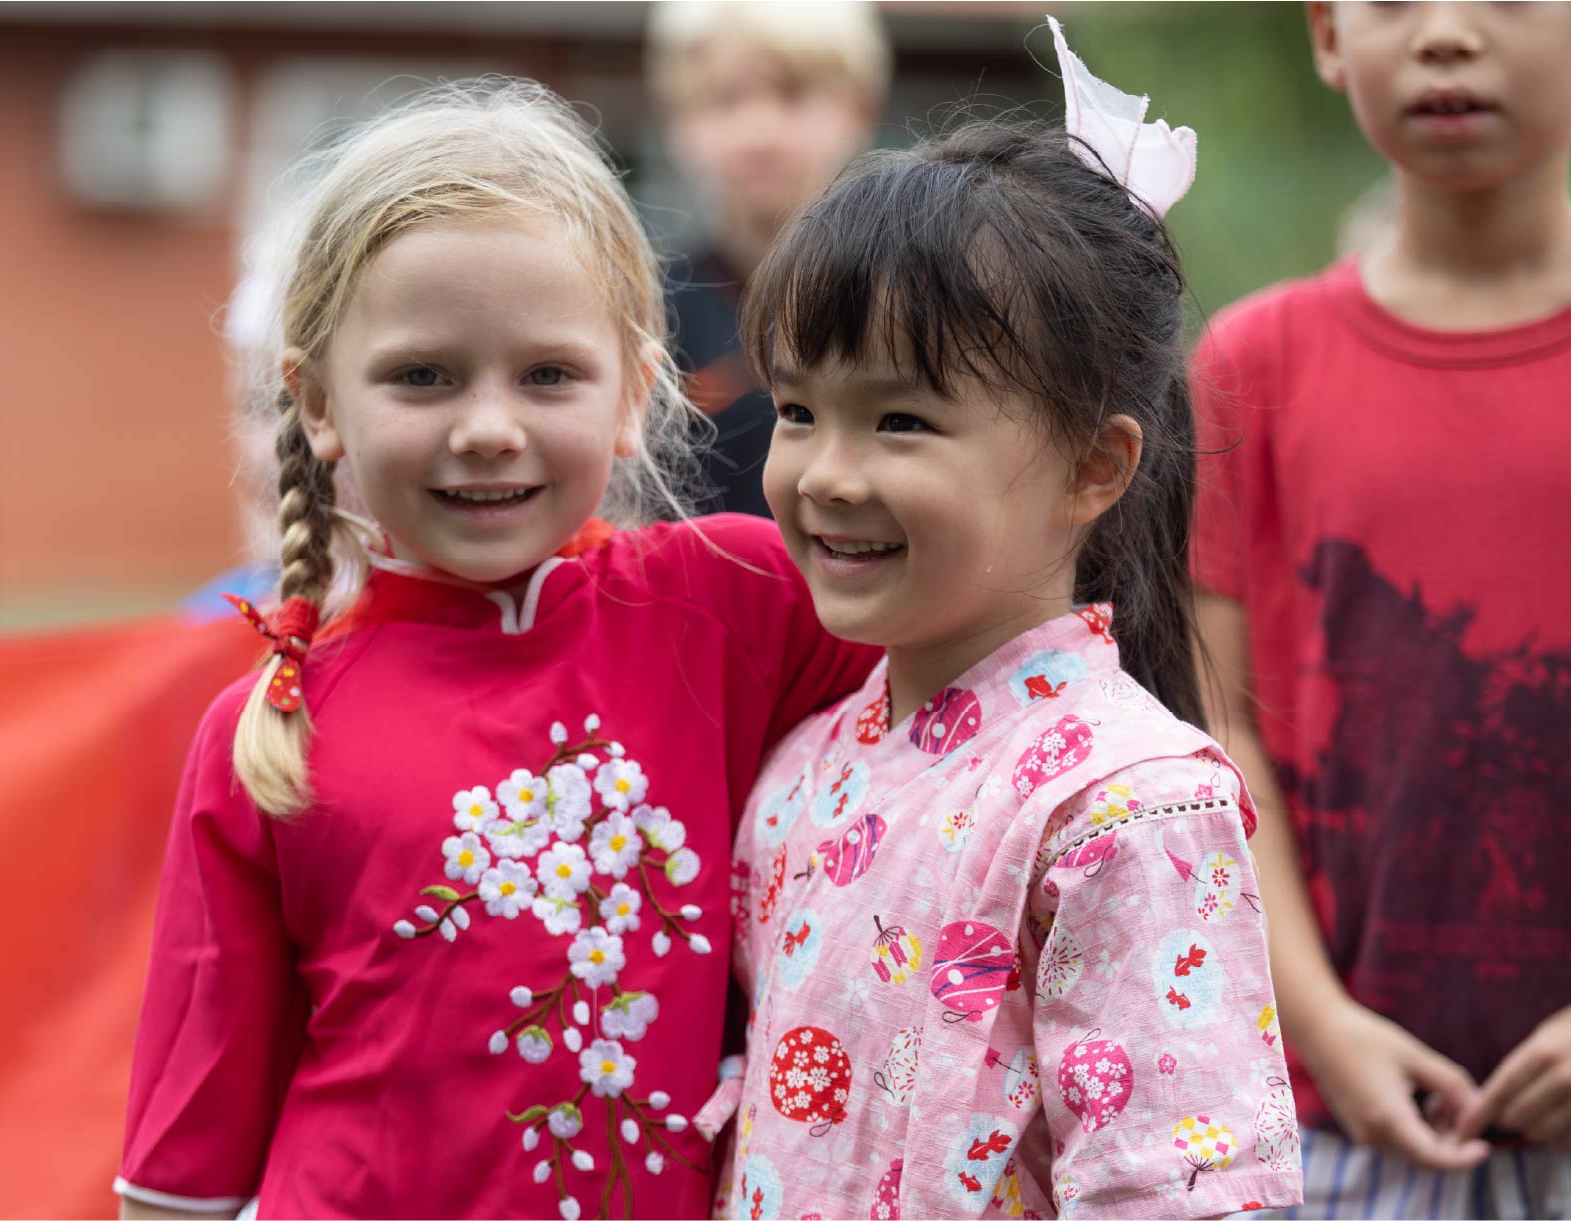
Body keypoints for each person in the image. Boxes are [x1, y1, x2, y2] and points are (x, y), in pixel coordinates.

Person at [112, 80, 877, 1220]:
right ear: (318, 403)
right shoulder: (269, 727)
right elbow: (181, 1163)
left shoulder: (739, 604)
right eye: (423, 375)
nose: (486, 425)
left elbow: (973, 679)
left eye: (548, 374)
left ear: (632, 391)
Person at [712, 21, 1302, 1220]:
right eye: (797, 409)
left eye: (901, 422)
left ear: (1095, 467)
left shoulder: (1127, 803)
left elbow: (1175, 1194)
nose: (826, 473)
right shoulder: (803, 768)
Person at [1192, 2, 1571, 1215]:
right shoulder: (1256, 366)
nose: (1445, 36)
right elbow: (1216, 730)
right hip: (1336, 1127)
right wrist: (1319, 1024)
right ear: (1325, 36)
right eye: (1396, 1)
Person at [647, 0, 889, 516]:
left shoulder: (912, 301)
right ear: (676, 119)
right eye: (723, 99)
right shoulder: (643, 314)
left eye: (792, 94)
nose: (759, 132)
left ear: (861, 108)